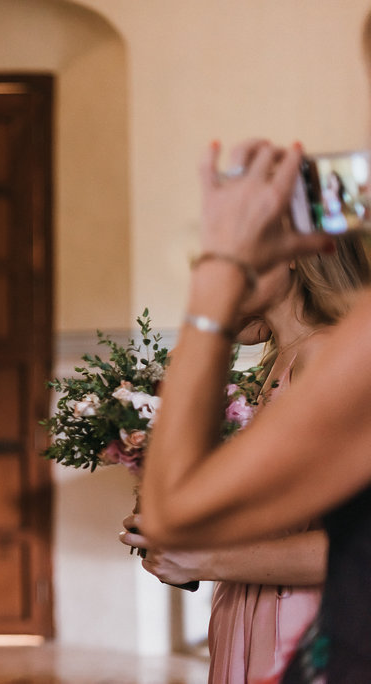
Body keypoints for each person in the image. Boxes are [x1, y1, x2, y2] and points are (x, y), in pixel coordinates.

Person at [137, 134, 371, 681]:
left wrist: (217, 283)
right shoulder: (285, 361)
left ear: (294, 252)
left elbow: (177, 508)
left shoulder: (331, 354)